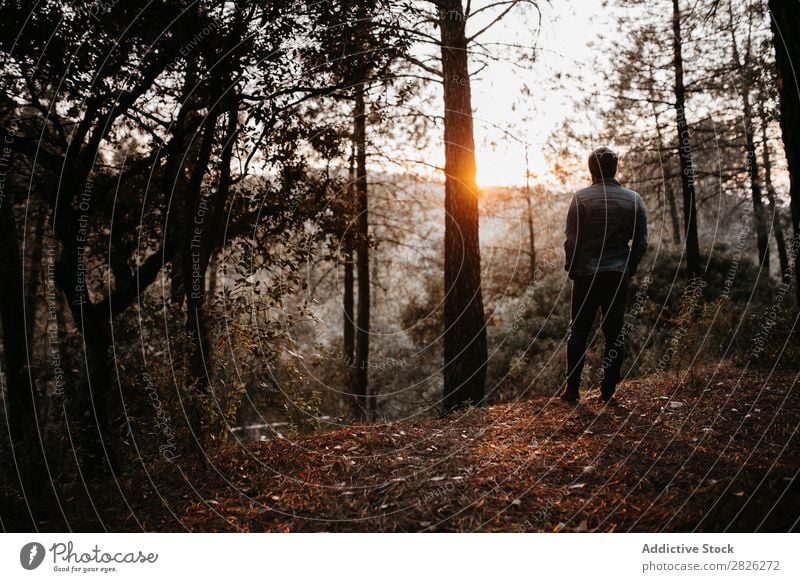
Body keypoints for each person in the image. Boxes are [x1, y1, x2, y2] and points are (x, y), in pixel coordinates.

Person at [562, 146, 648, 404]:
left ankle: (572, 390)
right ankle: (608, 391)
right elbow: (641, 243)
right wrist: (628, 269)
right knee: (614, 332)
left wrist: (572, 268)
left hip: (586, 275)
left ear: (591, 170)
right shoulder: (634, 200)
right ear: (615, 168)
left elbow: (571, 240)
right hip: (617, 274)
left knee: (578, 331)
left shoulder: (580, 198)